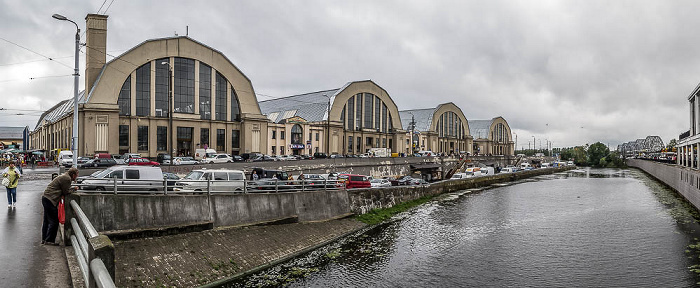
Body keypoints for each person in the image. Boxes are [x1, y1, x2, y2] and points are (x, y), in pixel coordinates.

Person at [41, 167, 78, 246]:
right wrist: (74, 189)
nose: (77, 177)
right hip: (50, 199)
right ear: (74, 175)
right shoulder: (67, 179)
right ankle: (49, 240)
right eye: (77, 175)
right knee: (54, 221)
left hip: (46, 197)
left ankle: (44, 239)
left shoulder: (64, 176)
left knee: (47, 221)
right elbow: (66, 192)